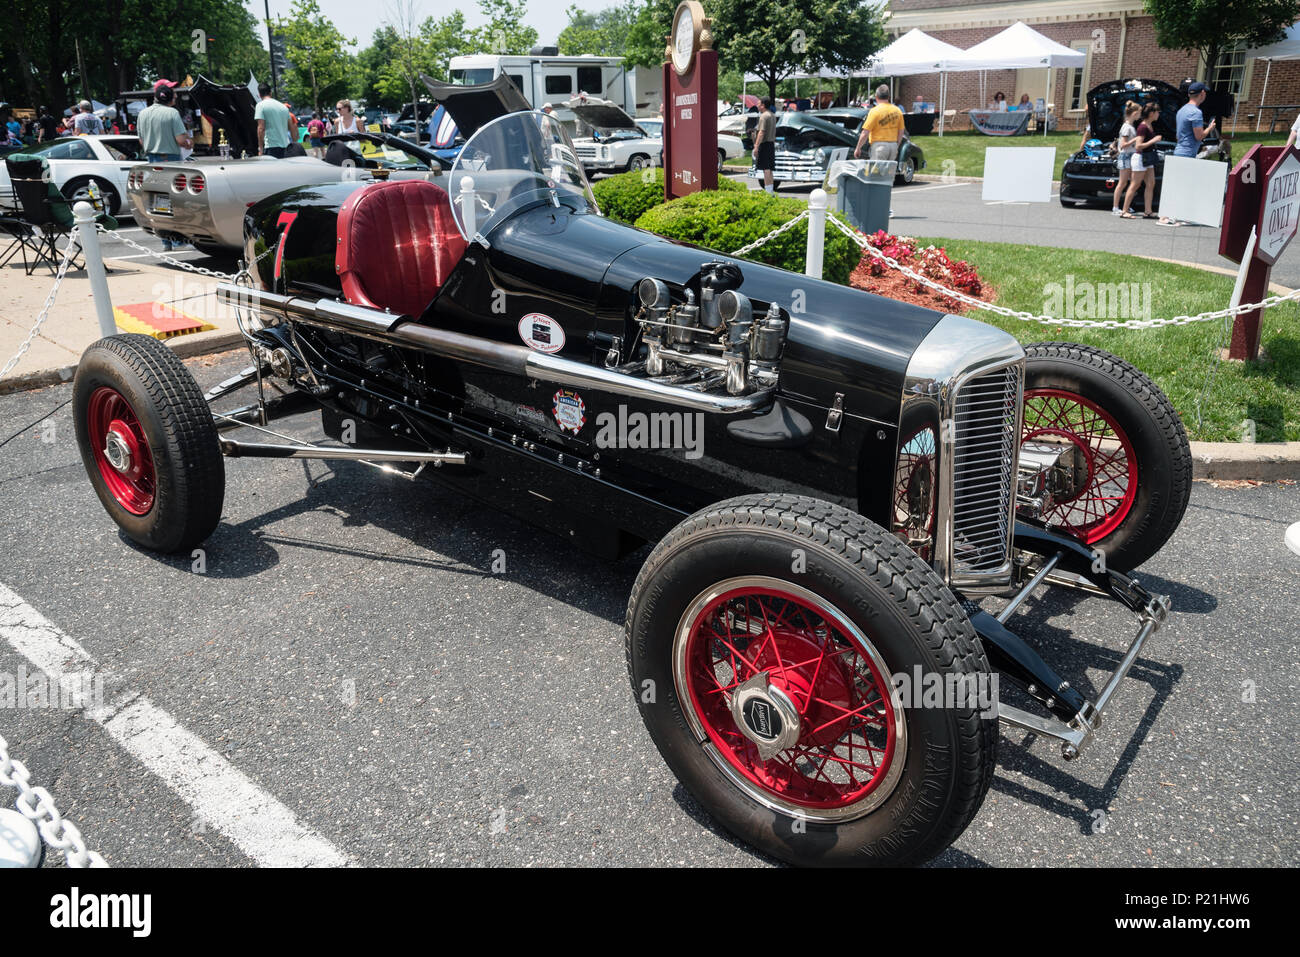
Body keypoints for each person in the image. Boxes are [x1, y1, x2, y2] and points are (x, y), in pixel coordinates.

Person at [137, 83, 194, 250]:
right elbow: (181, 140)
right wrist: (190, 143)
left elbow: (141, 141)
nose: (176, 99)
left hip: (152, 160)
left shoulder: (143, 113)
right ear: (169, 99)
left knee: (158, 201)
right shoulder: (172, 113)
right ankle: (177, 240)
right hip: (171, 160)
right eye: (175, 97)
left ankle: (166, 241)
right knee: (175, 200)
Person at [1159, 80, 1216, 225]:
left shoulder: (1182, 110)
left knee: (1179, 185)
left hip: (1180, 150)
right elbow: (1199, 136)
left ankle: (1173, 216)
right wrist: (1210, 128)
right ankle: (1171, 217)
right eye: (1205, 93)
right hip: (1187, 153)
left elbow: (1179, 135)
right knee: (1183, 186)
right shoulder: (1196, 112)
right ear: (1202, 94)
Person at [1121, 102, 1162, 219]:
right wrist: (1154, 140)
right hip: (1140, 158)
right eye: (1157, 112)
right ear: (1151, 113)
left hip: (1148, 158)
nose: (1158, 114)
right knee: (1135, 184)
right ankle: (1124, 211)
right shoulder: (1143, 127)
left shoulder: (1149, 125)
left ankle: (1148, 211)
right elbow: (1138, 146)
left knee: (1151, 184)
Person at [854, 83, 904, 162]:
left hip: (879, 147)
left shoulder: (874, 111)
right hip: (893, 146)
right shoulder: (897, 110)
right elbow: (901, 131)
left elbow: (865, 132)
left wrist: (858, 148)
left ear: (876, 97)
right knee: (889, 173)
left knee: (876, 173)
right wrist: (896, 145)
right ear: (888, 97)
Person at [1112, 101, 1140, 216]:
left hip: (1130, 156)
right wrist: (1136, 139)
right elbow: (1123, 144)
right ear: (1134, 113)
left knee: (1129, 182)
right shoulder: (1127, 127)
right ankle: (1115, 207)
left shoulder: (1130, 126)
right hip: (1125, 156)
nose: (1140, 115)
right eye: (1139, 113)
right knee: (1122, 182)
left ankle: (1126, 206)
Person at [256, 83, 296, 157]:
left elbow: (261, 128)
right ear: (270, 93)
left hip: (271, 148)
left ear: (259, 94)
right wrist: (294, 145)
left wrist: (260, 149)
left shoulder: (260, 106)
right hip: (286, 147)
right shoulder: (283, 107)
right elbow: (292, 127)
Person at [753, 96, 776, 193]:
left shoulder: (763, 116)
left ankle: (768, 192)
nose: (757, 105)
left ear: (763, 105)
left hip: (765, 144)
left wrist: (756, 146)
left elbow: (761, 132)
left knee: (766, 169)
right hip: (771, 144)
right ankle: (770, 191)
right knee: (770, 169)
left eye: (758, 104)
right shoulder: (772, 115)